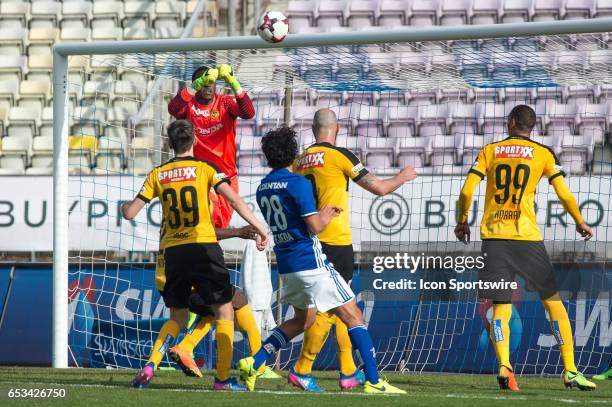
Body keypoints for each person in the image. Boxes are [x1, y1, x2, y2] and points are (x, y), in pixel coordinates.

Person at [237, 127, 406, 394]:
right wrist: (326, 214)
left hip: (286, 265)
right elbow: (314, 226)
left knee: (302, 320)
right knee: (354, 315)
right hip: (311, 262)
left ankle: (254, 361)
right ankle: (373, 380)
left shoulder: (263, 188)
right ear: (292, 154)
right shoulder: (297, 184)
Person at [455, 105, 596, 392]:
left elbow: (467, 190)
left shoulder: (491, 150)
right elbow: (564, 193)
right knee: (553, 303)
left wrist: (462, 221)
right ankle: (570, 369)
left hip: (494, 240)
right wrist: (580, 222)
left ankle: (505, 366)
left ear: (511, 122)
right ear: (531, 126)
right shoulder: (543, 153)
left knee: (501, 308)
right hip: (527, 239)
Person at [123, 120, 268, 391]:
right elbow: (235, 200)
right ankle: (223, 381)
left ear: (169, 143)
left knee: (177, 317)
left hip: (172, 253)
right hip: (202, 248)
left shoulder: (158, 173)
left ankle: (150, 365)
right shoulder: (205, 168)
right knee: (224, 310)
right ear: (195, 142)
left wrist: (124, 208)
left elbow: (130, 213)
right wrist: (259, 227)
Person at [290, 108, 417, 391]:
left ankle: (347, 370)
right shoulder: (340, 155)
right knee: (332, 309)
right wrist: (402, 176)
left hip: (308, 241)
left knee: (341, 307)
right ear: (337, 130)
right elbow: (380, 189)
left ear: (313, 130)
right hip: (335, 241)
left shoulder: (299, 161)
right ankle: (304, 367)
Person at [162, 226, 280, 380]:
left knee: (214, 312)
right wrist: (238, 232)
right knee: (239, 302)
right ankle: (256, 366)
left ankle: (183, 348)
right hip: (197, 275)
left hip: (177, 275)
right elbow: (205, 230)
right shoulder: (206, 206)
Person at [168, 64, 254, 229]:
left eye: (212, 82)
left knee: (220, 226)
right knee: (205, 226)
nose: (208, 86)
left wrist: (232, 81)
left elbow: (248, 113)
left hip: (227, 176)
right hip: (201, 176)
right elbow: (173, 108)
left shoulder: (225, 103)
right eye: (204, 82)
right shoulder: (189, 105)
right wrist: (196, 85)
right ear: (197, 84)